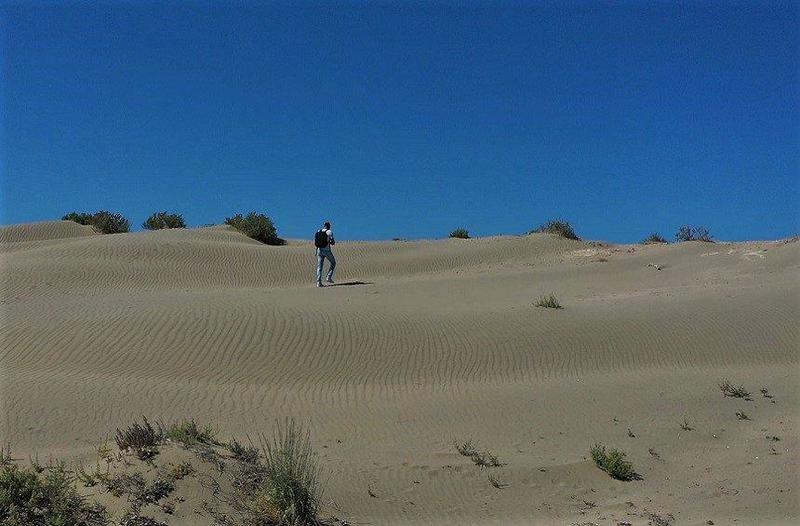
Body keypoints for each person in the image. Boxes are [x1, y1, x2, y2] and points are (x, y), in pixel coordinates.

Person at [315, 221, 336, 287]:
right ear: (329, 226)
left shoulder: (318, 231)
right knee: (333, 262)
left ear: (324, 226)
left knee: (319, 266)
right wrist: (330, 241)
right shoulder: (329, 232)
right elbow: (332, 242)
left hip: (319, 250)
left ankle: (318, 282)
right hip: (326, 250)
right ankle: (328, 277)